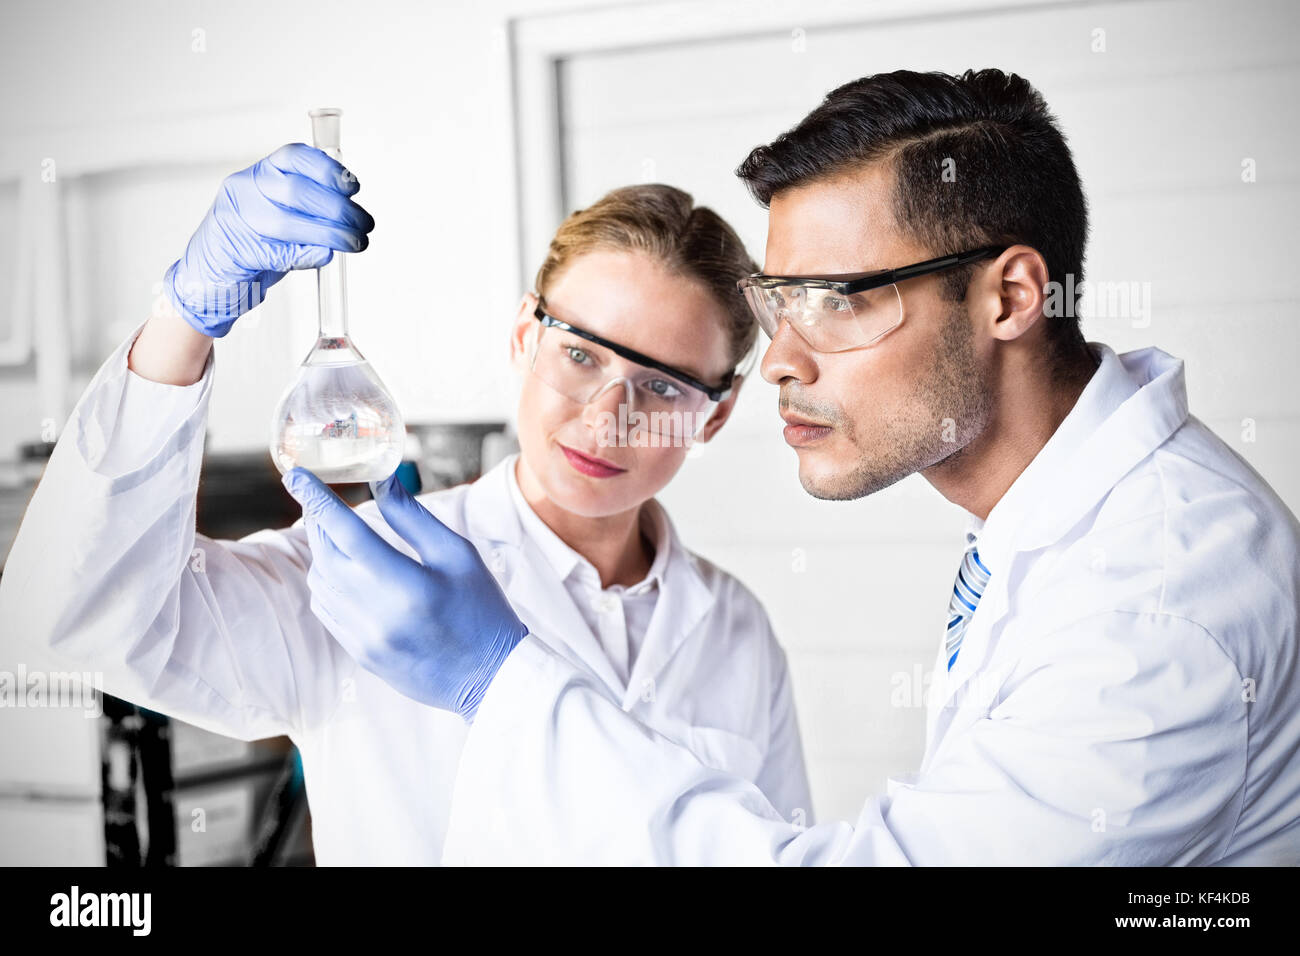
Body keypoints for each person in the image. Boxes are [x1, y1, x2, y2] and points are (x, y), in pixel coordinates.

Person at [282, 68, 1300, 865]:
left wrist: (498, 682)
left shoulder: (1153, 604)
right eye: (779, 304)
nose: (778, 359)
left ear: (1011, 295)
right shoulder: (1057, 517)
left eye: (839, 299)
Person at [0, 148, 814, 863]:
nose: (607, 416)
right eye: (577, 353)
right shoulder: (366, 569)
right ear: (525, 339)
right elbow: (77, 618)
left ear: (716, 410)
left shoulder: (737, 630)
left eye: (663, 385)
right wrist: (182, 318)